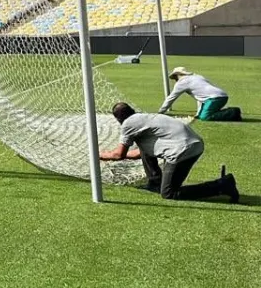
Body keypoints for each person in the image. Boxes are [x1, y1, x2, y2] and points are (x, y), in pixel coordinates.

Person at [100, 102, 239, 202]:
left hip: (182, 151)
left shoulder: (128, 124)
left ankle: (222, 186)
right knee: (144, 150)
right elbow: (139, 153)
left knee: (169, 193)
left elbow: (119, 154)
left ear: (118, 119)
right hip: (193, 144)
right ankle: (155, 183)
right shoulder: (145, 118)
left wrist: (99, 155)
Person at [159, 67, 241, 121]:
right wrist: (198, 113)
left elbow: (171, 98)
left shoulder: (182, 82)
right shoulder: (197, 77)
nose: (175, 80)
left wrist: (161, 112)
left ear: (178, 75)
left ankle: (233, 112)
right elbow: (200, 98)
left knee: (205, 117)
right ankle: (231, 113)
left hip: (214, 98)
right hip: (222, 95)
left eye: (175, 77)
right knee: (203, 115)